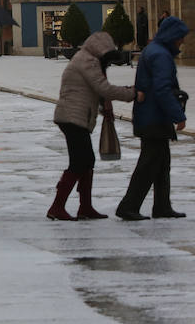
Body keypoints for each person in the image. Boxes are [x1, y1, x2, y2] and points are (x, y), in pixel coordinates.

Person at [47, 31, 141, 221]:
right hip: (72, 118)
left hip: (75, 117)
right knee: (79, 162)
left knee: (86, 161)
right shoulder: (87, 61)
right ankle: (57, 207)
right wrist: (131, 93)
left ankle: (85, 207)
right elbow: (102, 88)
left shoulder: (86, 58)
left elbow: (97, 89)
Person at [116, 16, 190, 221]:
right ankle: (128, 206)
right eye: (181, 37)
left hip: (150, 115)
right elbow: (163, 89)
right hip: (154, 118)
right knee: (149, 164)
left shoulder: (154, 50)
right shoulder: (161, 55)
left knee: (161, 163)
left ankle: (162, 206)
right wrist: (178, 115)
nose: (182, 41)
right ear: (173, 36)